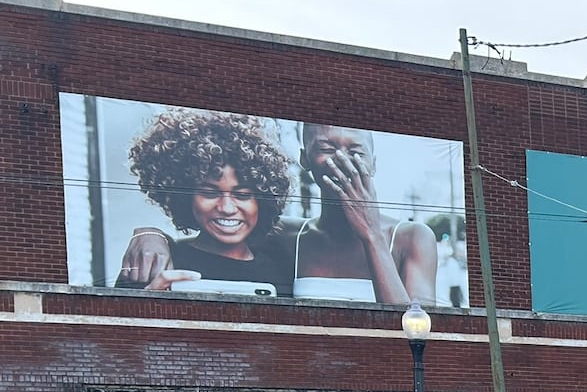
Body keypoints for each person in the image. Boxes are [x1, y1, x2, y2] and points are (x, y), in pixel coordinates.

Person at [118, 109, 295, 294]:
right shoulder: (154, 262)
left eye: (242, 195)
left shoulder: (284, 269)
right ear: (185, 197)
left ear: (262, 200)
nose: (226, 208)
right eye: (210, 194)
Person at [291, 123, 437, 303]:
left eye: (356, 153)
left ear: (373, 164)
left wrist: (372, 234)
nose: (342, 159)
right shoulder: (292, 236)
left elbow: (418, 328)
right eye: (327, 149)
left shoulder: (412, 237)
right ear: (305, 158)